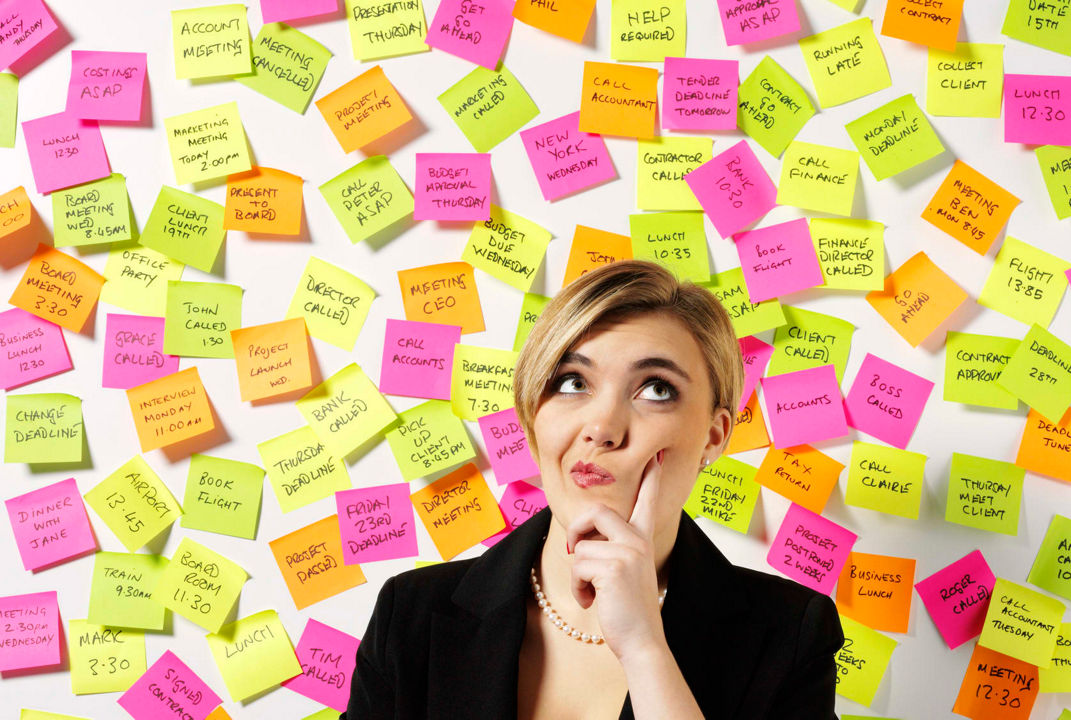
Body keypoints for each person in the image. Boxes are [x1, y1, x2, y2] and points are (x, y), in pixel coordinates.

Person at [340, 259, 843, 720]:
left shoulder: (791, 633)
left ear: (715, 434)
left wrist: (646, 648)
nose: (602, 426)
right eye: (572, 382)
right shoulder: (412, 613)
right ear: (534, 412)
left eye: (656, 389)